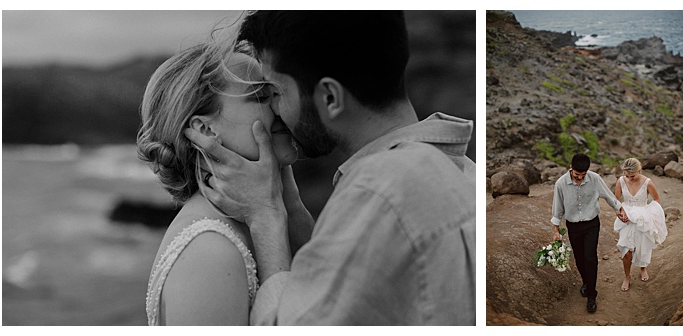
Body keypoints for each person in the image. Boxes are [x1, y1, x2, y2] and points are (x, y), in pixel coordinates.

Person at [184, 11, 476, 325]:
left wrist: (265, 216)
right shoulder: (458, 170)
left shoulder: (380, 192)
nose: (275, 111)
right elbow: (349, 292)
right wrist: (291, 208)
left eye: (277, 92)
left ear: (329, 97)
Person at [137, 41, 314, 325]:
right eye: (260, 95)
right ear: (205, 130)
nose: (281, 107)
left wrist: (286, 208)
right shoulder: (209, 252)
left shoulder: (259, 222)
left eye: (275, 92)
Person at [548, 154, 628, 312]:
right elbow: (557, 208)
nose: (579, 178)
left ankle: (592, 295)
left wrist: (618, 208)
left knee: (590, 258)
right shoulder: (560, 184)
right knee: (579, 259)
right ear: (571, 168)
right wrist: (556, 230)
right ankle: (586, 282)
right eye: (577, 174)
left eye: (583, 175)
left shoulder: (595, 179)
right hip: (573, 226)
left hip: (592, 224)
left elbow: (608, 195)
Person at [612, 157, 667, 291]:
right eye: (626, 175)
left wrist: (650, 214)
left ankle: (643, 267)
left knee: (642, 246)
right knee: (626, 250)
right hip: (627, 217)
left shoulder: (647, 183)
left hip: (642, 217)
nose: (629, 178)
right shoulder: (621, 181)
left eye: (632, 175)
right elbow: (616, 200)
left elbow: (656, 200)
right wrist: (618, 212)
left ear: (639, 170)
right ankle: (627, 276)